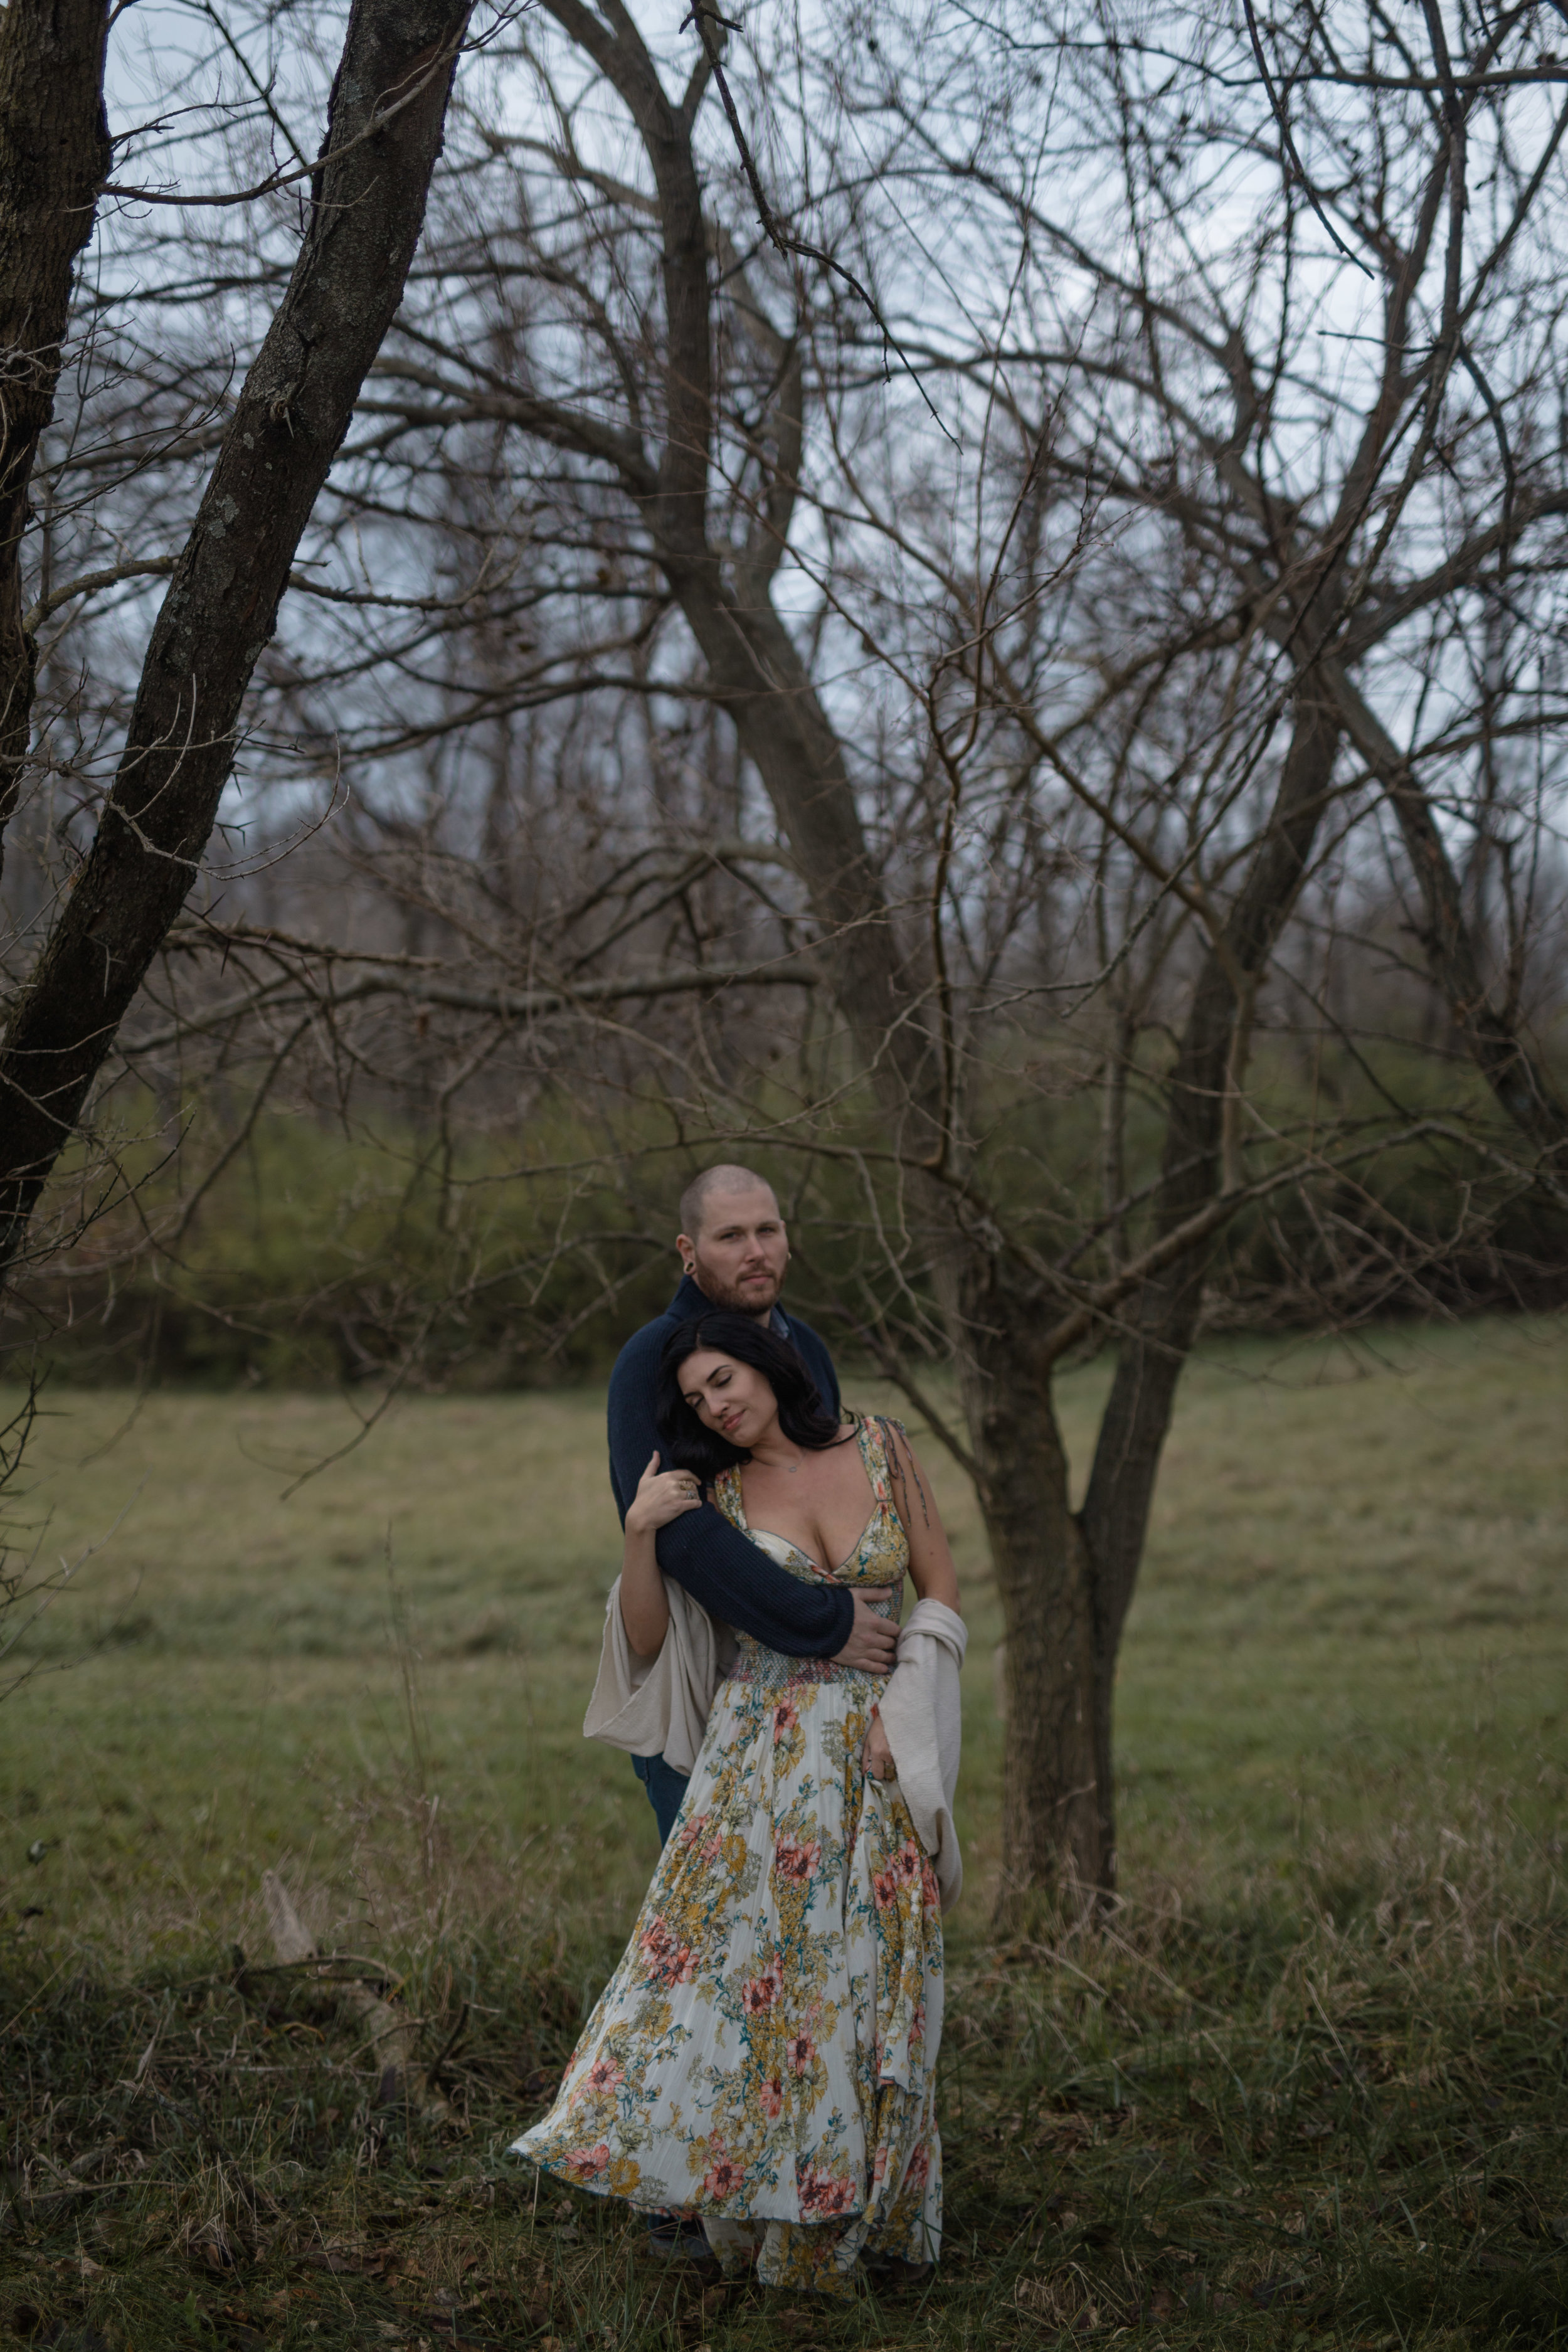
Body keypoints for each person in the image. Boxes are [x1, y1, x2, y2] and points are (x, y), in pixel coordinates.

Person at [512, 1314, 965, 2296]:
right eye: (698, 1397)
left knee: (875, 1974)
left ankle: (860, 2215)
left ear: (766, 1366)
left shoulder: (883, 1442)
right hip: (759, 1764)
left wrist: (906, 1713)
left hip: (880, 1757)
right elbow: (644, 1634)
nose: (717, 1402)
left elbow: (941, 1591)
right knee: (767, 1991)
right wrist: (642, 1529)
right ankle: (761, 2207)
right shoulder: (707, 1496)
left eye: (725, 1377)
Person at [605, 1165, 897, 1845]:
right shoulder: (652, 1358)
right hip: (706, 1666)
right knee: (709, 1927)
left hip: (827, 1690)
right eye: (730, 1236)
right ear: (688, 1253)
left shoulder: (806, 1349)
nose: (754, 1251)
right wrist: (820, 1620)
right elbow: (677, 1531)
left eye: (767, 1230)